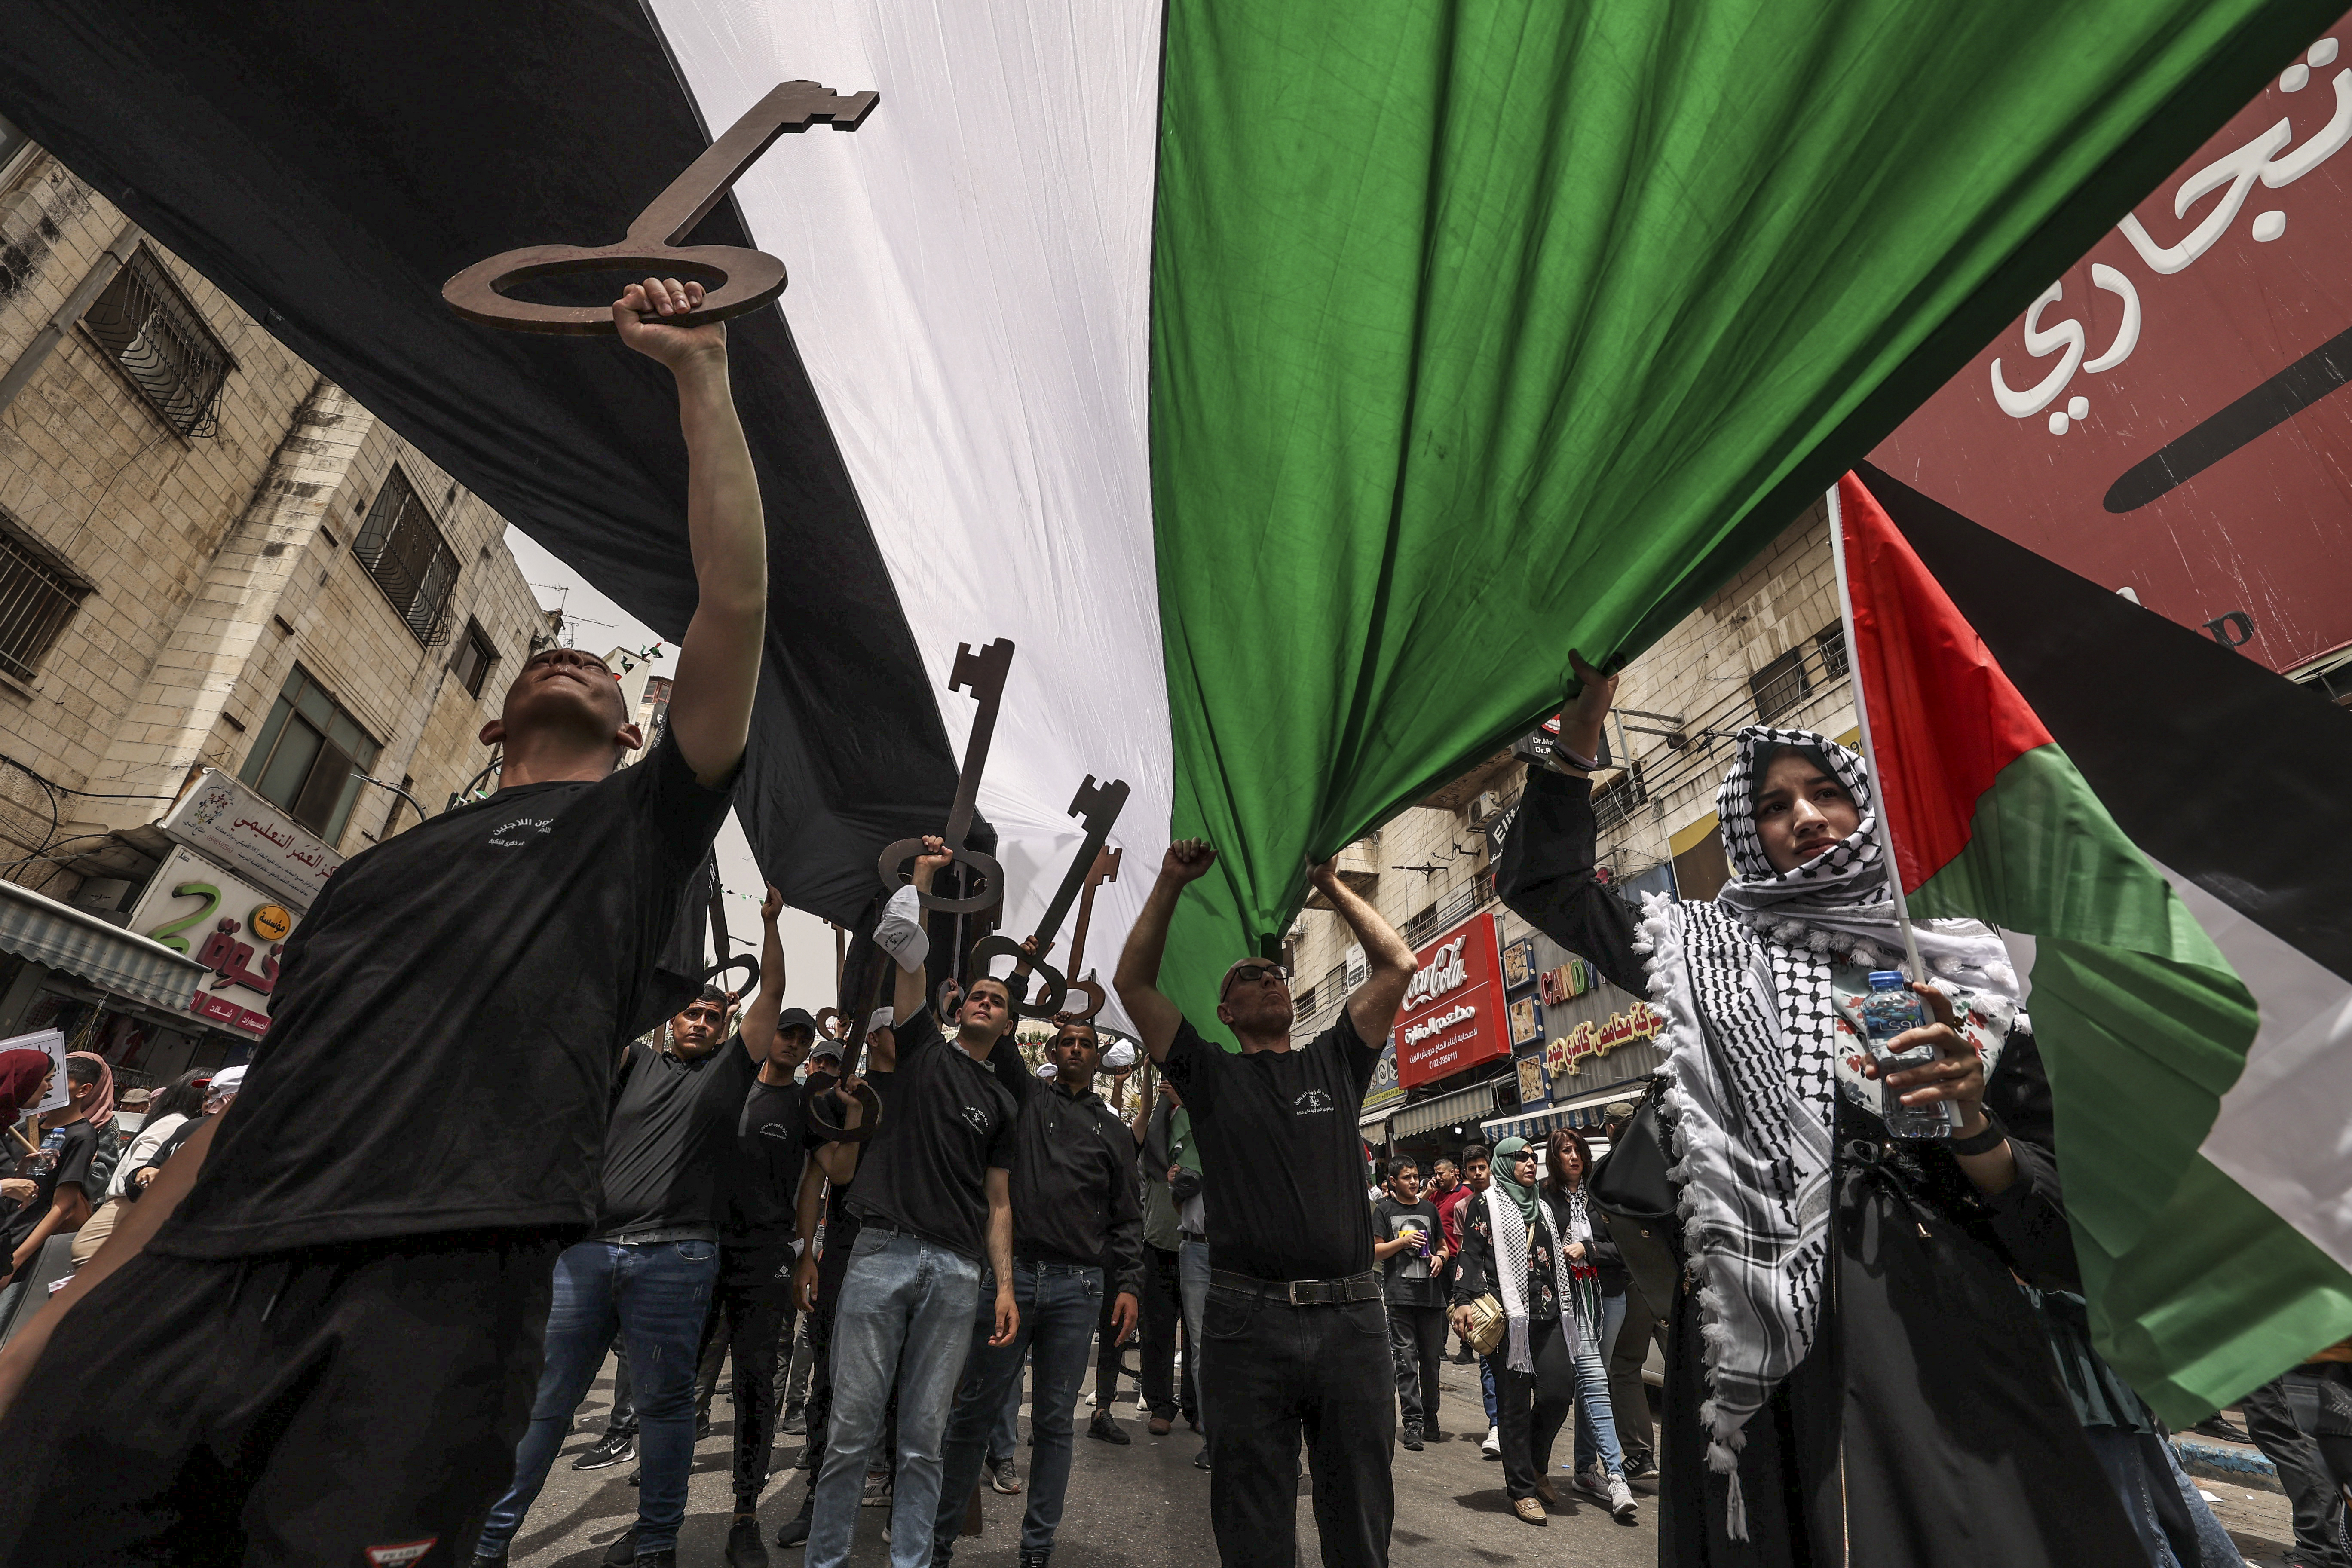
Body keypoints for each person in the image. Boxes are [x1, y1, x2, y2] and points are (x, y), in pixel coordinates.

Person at [0, 276, 763, 1568]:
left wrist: (701, 380)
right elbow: (256, 1099)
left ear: (638, 732)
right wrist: (58, 1315)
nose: (565, 661)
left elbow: (735, 607)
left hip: (434, 1298)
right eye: (539, 661)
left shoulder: (638, 831)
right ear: (491, 723)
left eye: (594, 671)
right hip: (194, 1277)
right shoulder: (365, 876)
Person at [1496, 650, 2142, 1567]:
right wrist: (1581, 732)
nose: (1802, 816)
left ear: (1860, 808)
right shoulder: (1703, 950)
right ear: (1747, 835)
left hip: (1943, 1338)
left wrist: (1970, 1117)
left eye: (1821, 792)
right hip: (1758, 1338)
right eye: (1771, 805)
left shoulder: (1963, 969)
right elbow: (1545, 887)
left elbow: (2056, 1234)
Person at [473, 885, 802, 1568]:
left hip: (677, 1258)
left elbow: (771, 993)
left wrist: (771, 926)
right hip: (590, 1254)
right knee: (547, 1403)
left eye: (714, 1015)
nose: (703, 1021)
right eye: (692, 1012)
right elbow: (605, 1004)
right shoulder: (633, 1063)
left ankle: (656, 1543)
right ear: (667, 1020)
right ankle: (491, 1542)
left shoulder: (730, 1074)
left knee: (664, 1407)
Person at [1116, 843, 1416, 1568]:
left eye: (1272, 970)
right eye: (1249, 976)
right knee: (1252, 1525)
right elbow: (1132, 980)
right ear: (1226, 1011)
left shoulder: (1335, 1060)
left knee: (1360, 1522)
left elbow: (1398, 965)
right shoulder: (1211, 1075)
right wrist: (1170, 881)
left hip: (1351, 1320)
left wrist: (1328, 883)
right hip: (1246, 1324)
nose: (1268, 977)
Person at [804, 838, 1020, 1568]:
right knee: (851, 1431)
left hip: (957, 1273)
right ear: (958, 1007)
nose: (985, 1001)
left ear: (1009, 1024)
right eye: (978, 994)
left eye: (1000, 1000)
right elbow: (903, 945)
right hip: (880, 1252)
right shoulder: (924, 1045)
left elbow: (998, 1204)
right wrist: (923, 877)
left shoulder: (1003, 1101)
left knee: (924, 1438)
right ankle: (826, 1559)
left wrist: (1005, 1286)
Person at [931, 1013, 1144, 1568]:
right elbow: (1001, 1037)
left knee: (1054, 1423)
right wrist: (1025, 976)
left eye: (1085, 1043)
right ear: (1052, 1051)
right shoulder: (1024, 1100)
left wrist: (1129, 1285)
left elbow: (1127, 1218)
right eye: (1066, 1041)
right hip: (1012, 1280)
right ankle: (936, 1542)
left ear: (1098, 1058)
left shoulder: (1115, 1132)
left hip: (1080, 1288)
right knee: (973, 1415)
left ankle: (1037, 1548)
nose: (1076, 1048)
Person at [697, 977, 829, 1568]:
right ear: (767, 1032)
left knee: (756, 1384)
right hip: (700, 1249)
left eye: (805, 1038)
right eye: (788, 1032)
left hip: (768, 1256)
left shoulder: (805, 1108)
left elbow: (813, 1183)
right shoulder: (727, 1085)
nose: (796, 1043)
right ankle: (660, 1507)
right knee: (681, 1381)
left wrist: (805, 1255)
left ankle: (745, 1512)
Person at [1450, 1135, 1636, 1527]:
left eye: (1533, 1158)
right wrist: (1464, 1299)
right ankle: (1521, 1489)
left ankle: (1536, 1465)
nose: (1530, 1163)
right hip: (1511, 1321)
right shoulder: (1488, 1204)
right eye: (1521, 1158)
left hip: (1552, 1314)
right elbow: (1470, 1255)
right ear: (1504, 1163)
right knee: (1515, 1406)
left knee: (1557, 1394)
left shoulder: (1545, 1208)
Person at [1533, 1127, 1636, 1513]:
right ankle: (1616, 1479)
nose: (1574, 1157)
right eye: (1565, 1151)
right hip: (1568, 1303)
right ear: (1554, 1158)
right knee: (1594, 1381)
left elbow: (1627, 1246)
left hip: (1609, 1298)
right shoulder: (1544, 1198)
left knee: (1594, 1384)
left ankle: (1582, 1469)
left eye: (1577, 1150)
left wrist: (1589, 1249)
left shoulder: (1601, 1195)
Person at [0, 1054, 109, 1323]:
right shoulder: (24, 1125)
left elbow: (62, 1205)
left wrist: (16, 1260)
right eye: (47, 1080)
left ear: (84, 1091)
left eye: (56, 1081)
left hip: (17, 1241)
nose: (49, 1088)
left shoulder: (81, 1136)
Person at [72, 1069, 209, 1267]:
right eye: (209, 1096)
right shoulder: (178, 1125)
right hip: (127, 1212)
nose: (211, 1104)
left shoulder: (178, 1124)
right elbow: (139, 1173)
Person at [1594, 1100, 1661, 1478]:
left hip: (1637, 1281)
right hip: (1679, 1281)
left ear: (1609, 1129)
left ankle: (1639, 1453)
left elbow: (1612, 1234)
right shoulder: (1665, 1157)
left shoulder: (1612, 1169)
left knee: (1624, 1367)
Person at [1136, 1068, 1199, 1438]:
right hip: (1158, 1242)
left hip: (1197, 1244)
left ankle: (1194, 1405)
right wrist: (1146, 1078)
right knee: (1157, 1330)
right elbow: (1146, 1130)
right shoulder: (1157, 1122)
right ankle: (1161, 1404)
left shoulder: (1201, 1118)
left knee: (1197, 1334)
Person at [1369, 1155, 1448, 1451]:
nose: (1413, 1182)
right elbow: (1376, 1251)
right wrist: (1402, 1243)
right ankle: (1412, 1422)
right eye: (1406, 1177)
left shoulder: (1429, 1209)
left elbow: (1443, 1247)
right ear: (1392, 1181)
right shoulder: (1384, 1211)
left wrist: (1441, 1258)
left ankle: (1431, 1418)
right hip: (1399, 1296)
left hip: (1431, 1297)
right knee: (1406, 1361)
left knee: (1431, 1361)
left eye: (1416, 1176)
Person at [1437, 1145, 1502, 1456]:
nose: (1479, 1173)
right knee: (1489, 1359)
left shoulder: (1507, 1199)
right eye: (1473, 1168)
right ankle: (1496, 1425)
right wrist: (1464, 1296)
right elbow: (1466, 1252)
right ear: (1465, 1172)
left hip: (1512, 1293)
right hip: (1482, 1295)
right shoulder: (1464, 1207)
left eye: (1483, 1167)